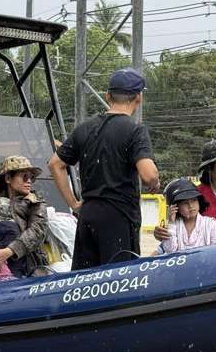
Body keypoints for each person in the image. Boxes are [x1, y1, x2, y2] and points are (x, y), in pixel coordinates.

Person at [48, 67, 160, 269]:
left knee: (84, 281)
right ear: (138, 97)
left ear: (108, 96)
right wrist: (155, 181)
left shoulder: (85, 128)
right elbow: (149, 174)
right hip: (118, 215)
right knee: (117, 280)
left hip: (88, 213)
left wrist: (74, 204)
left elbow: (55, 164)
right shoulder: (134, 130)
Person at [0, 155, 49, 277]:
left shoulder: (36, 202)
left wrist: (8, 252)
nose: (29, 181)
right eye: (25, 176)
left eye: (32, 177)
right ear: (8, 178)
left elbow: (37, 231)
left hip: (29, 265)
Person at [157, 178, 216, 253]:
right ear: (176, 207)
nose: (191, 206)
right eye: (185, 203)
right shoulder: (173, 226)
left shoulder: (210, 223)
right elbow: (170, 250)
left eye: (194, 200)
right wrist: (171, 222)